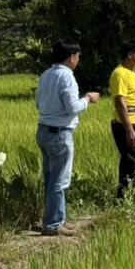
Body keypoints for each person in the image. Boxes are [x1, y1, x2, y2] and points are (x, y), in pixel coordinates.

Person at [35, 40, 101, 236]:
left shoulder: (46, 74)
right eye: (78, 56)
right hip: (60, 133)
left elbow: (39, 103)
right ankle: (54, 224)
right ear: (71, 57)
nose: (78, 60)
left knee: (50, 178)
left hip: (44, 130)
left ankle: (57, 219)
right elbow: (73, 107)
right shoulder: (67, 77)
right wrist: (88, 99)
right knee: (60, 180)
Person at [109, 42, 135, 200]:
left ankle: (126, 197)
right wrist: (129, 129)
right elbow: (120, 102)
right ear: (130, 55)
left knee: (133, 160)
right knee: (133, 160)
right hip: (128, 123)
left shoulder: (132, 72)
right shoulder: (120, 73)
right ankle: (126, 198)